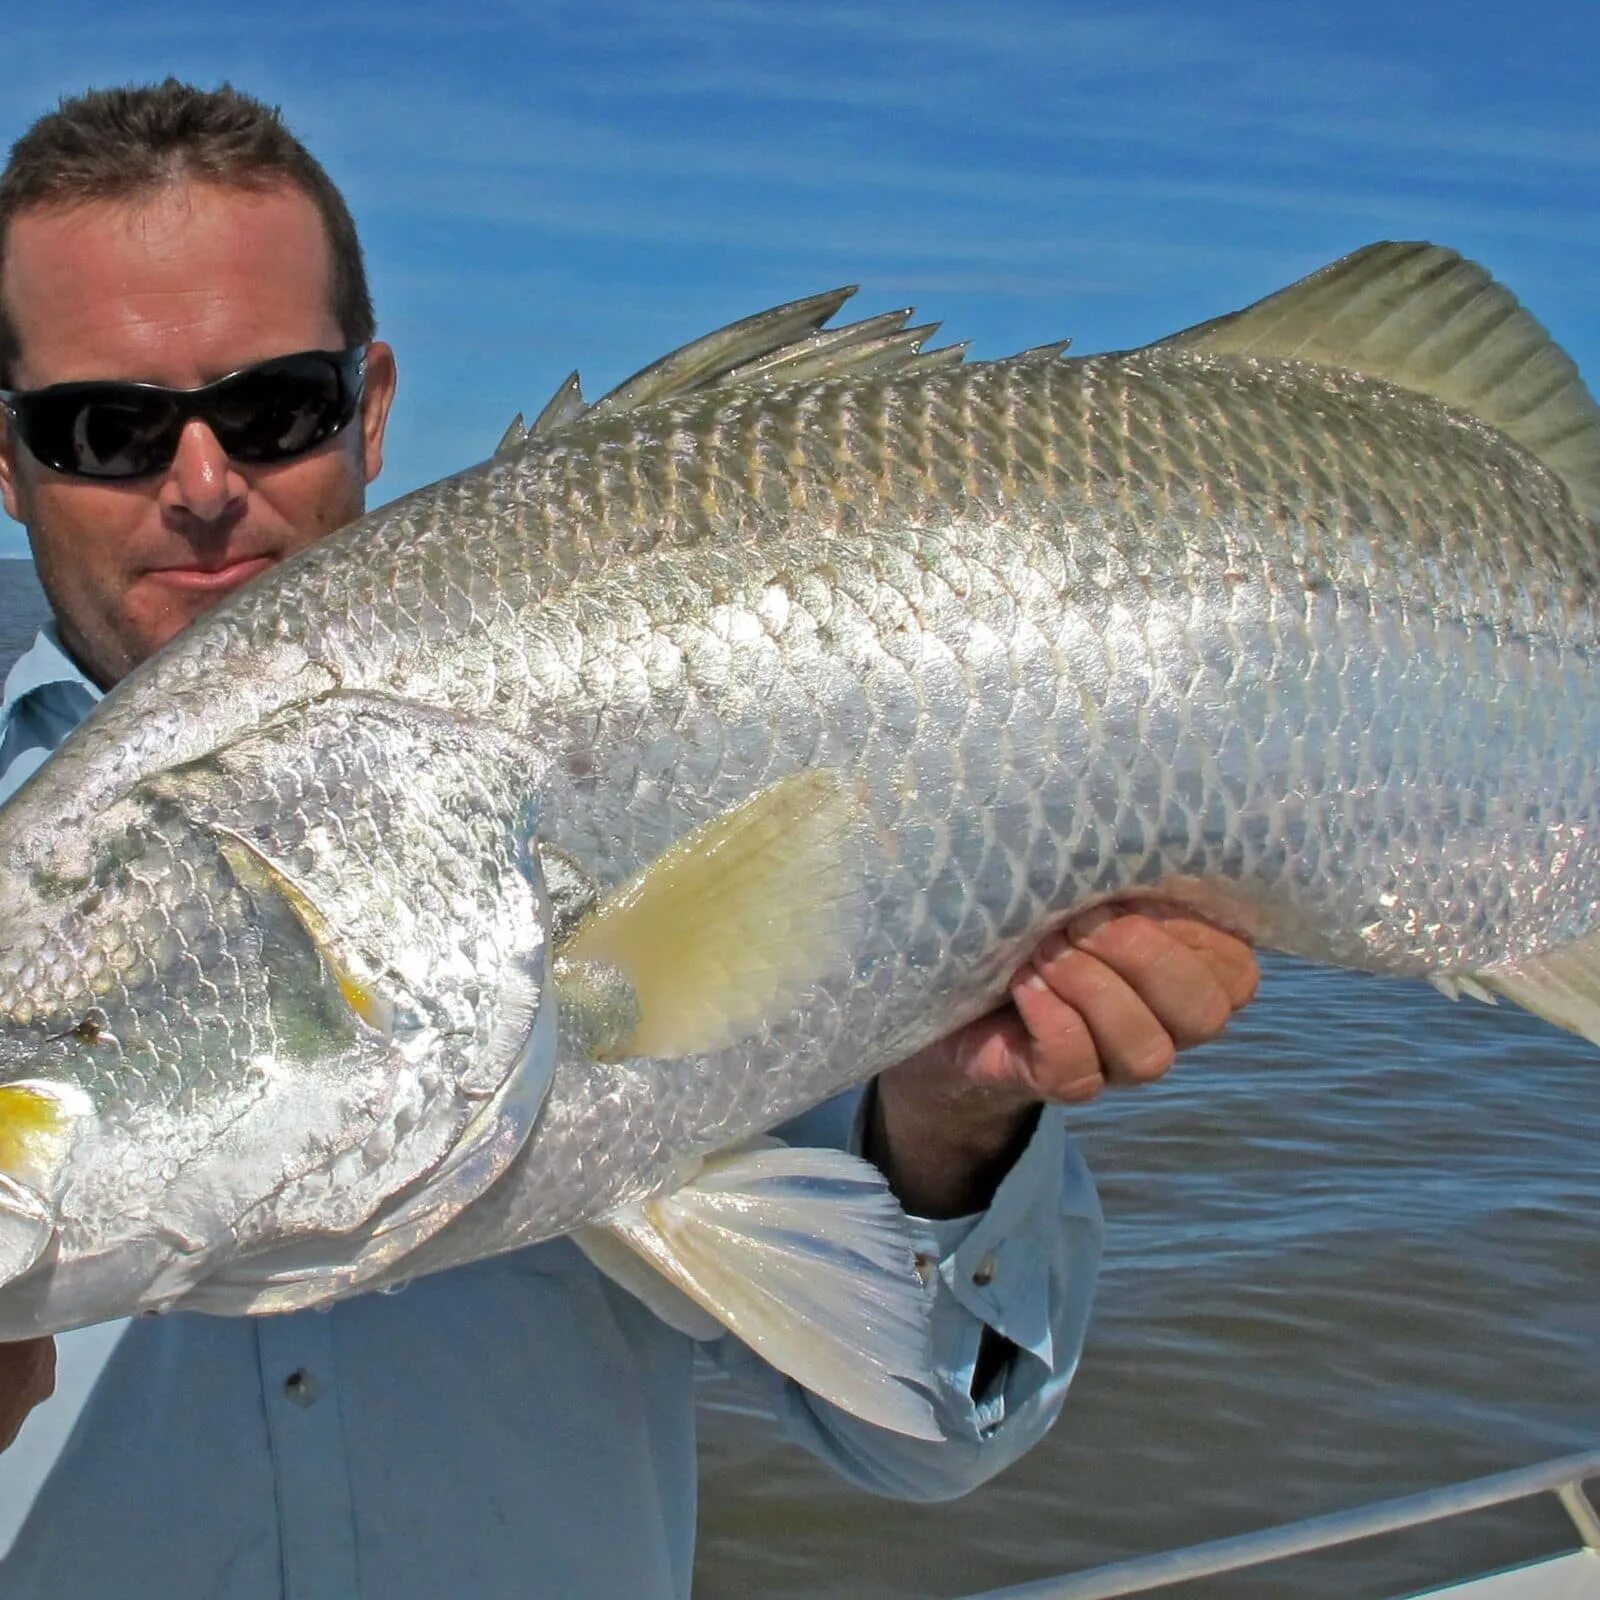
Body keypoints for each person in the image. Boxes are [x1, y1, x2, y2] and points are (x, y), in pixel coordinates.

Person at [0, 82, 1258, 1598]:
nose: (202, 487)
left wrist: (951, 1128)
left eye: (274, 410)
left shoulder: (670, 732)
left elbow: (930, 1441)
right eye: (105, 429)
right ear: (6, 457)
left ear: (373, 406)